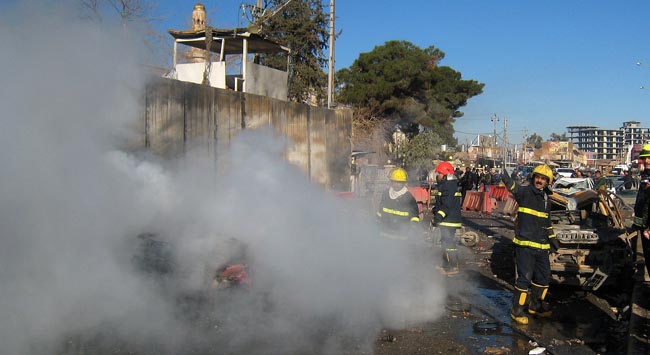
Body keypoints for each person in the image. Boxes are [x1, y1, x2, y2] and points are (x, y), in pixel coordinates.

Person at [501, 164, 559, 325]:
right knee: (524, 279)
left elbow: (547, 221)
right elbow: (513, 187)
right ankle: (517, 311)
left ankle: (535, 306)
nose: (539, 181)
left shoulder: (547, 199)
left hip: (542, 247)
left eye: (543, 179)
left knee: (543, 278)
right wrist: (505, 177)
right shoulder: (525, 192)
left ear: (548, 182)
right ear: (533, 178)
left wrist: (552, 238)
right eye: (537, 177)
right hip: (525, 245)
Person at [431, 161, 463, 275]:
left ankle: (453, 267)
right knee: (445, 242)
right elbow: (443, 202)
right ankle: (446, 265)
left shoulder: (449, 186)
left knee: (448, 244)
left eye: (439, 173)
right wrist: (435, 210)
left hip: (449, 221)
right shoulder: (447, 185)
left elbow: (447, 205)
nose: (437, 175)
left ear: (445, 173)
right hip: (447, 220)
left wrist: (438, 216)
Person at [376, 167, 421, 237]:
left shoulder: (409, 198)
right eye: (395, 181)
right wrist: (377, 223)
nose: (397, 184)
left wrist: (413, 228)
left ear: (404, 183)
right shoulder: (385, 194)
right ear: (391, 181)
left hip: (401, 237)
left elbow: (414, 217)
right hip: (385, 234)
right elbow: (380, 212)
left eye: (400, 182)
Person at [633, 144, 650, 281]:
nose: (647, 161)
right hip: (644, 229)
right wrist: (639, 225)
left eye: (649, 158)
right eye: (644, 158)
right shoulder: (645, 176)